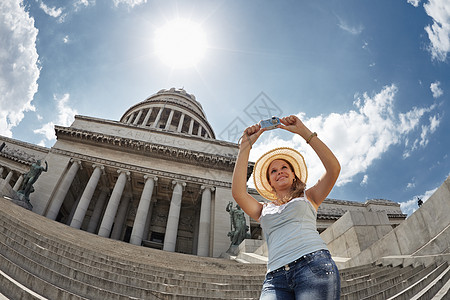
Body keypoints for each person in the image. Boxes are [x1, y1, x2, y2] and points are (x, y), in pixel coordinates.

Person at [232, 115, 341, 300]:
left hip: (313, 264)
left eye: (284, 167)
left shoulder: (310, 196)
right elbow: (239, 193)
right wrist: (245, 147)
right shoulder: (263, 209)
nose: (279, 171)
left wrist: (304, 132)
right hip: (275, 278)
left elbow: (333, 168)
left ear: (293, 175)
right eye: (273, 171)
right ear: (270, 182)